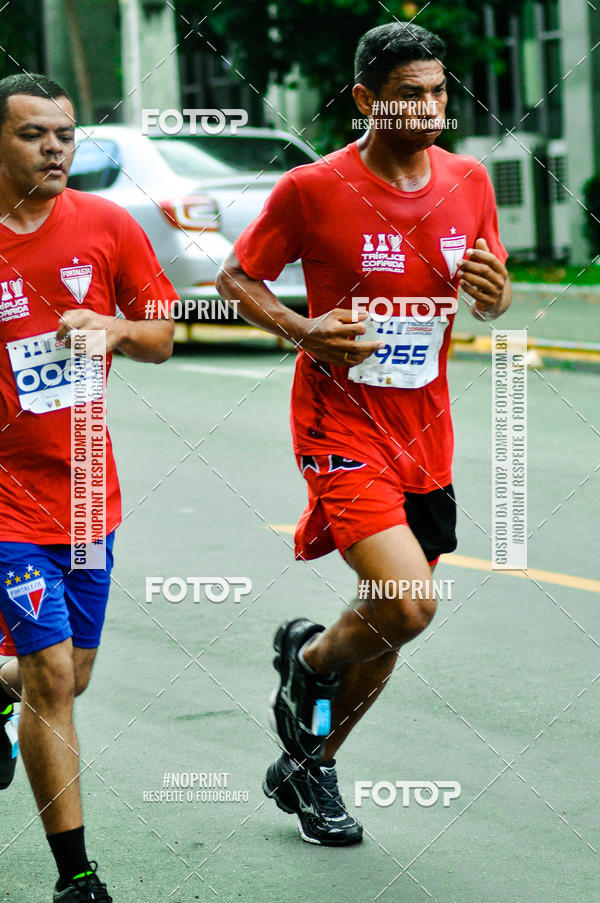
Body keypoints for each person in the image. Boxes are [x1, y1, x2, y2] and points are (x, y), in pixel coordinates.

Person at [216, 22, 511, 846]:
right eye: (410, 94)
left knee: (387, 629)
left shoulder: (470, 180)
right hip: (340, 423)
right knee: (407, 603)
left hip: (428, 434)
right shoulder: (313, 189)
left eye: (439, 92)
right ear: (365, 100)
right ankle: (308, 661)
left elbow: (491, 287)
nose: (430, 108)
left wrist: (496, 296)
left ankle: (312, 767)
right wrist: (302, 328)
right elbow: (237, 276)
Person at [0, 74, 175, 900]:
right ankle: (77, 875)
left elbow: (163, 334)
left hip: (82, 496)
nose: (55, 147)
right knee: (52, 677)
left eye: (65, 134)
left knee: (74, 671)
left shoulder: (106, 227)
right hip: (3, 501)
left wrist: (113, 327)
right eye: (34, 133)